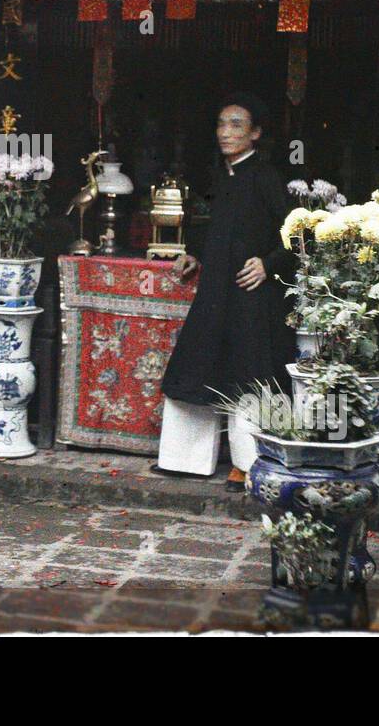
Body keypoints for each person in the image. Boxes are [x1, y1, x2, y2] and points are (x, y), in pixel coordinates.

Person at [155, 94, 295, 489]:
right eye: (221, 124)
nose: (226, 132)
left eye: (236, 125)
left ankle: (249, 464)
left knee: (248, 373)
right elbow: (213, 230)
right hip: (216, 290)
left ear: (255, 134)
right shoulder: (220, 177)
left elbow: (296, 230)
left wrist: (269, 263)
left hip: (251, 295)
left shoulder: (266, 176)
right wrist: (194, 256)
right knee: (198, 365)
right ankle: (183, 459)